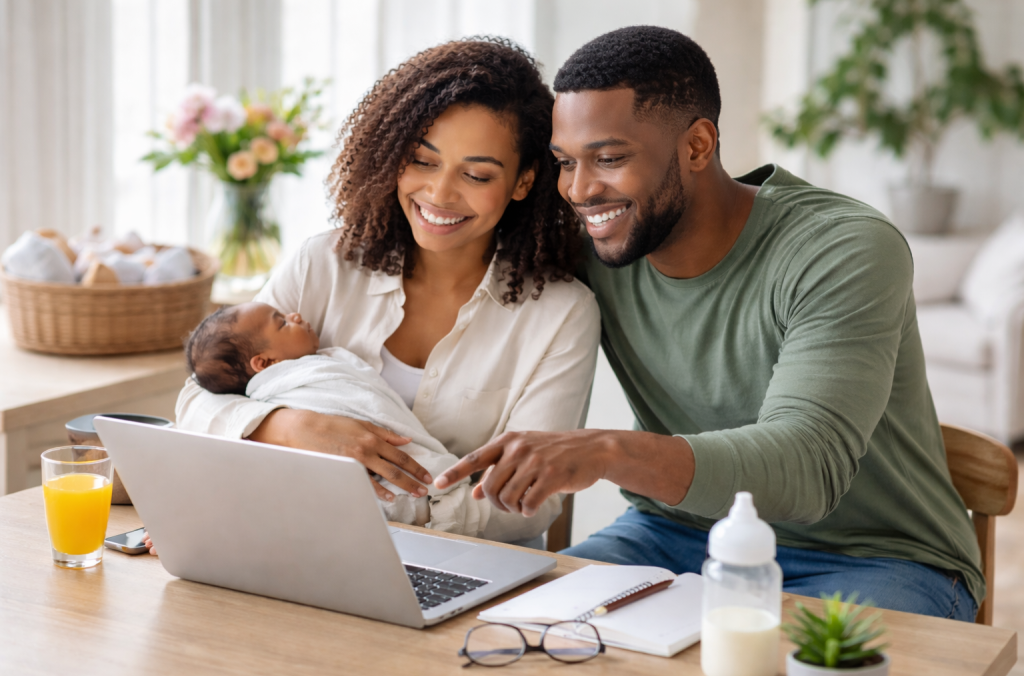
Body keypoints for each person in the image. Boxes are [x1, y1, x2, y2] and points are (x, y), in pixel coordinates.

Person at [435, 26, 983, 621]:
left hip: (875, 559)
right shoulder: (592, 238)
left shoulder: (842, 248)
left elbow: (809, 466)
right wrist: (317, 373)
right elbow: (439, 232)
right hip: (670, 537)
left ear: (697, 146)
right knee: (503, 627)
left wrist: (605, 450)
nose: (580, 190)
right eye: (566, 163)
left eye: (610, 158)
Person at [175, 38, 601, 549]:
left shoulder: (561, 314)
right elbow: (197, 400)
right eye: (423, 161)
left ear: (522, 182)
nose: (440, 194)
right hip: (306, 544)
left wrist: (404, 504)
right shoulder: (324, 263)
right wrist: (289, 428)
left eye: (476, 174)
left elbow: (532, 501)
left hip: (465, 561)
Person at [179, 301, 509, 537]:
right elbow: (196, 395)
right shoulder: (293, 382)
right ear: (264, 364)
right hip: (348, 513)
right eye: (282, 322)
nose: (295, 314)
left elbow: (368, 405)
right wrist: (290, 426)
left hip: (392, 512)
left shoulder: (319, 366)